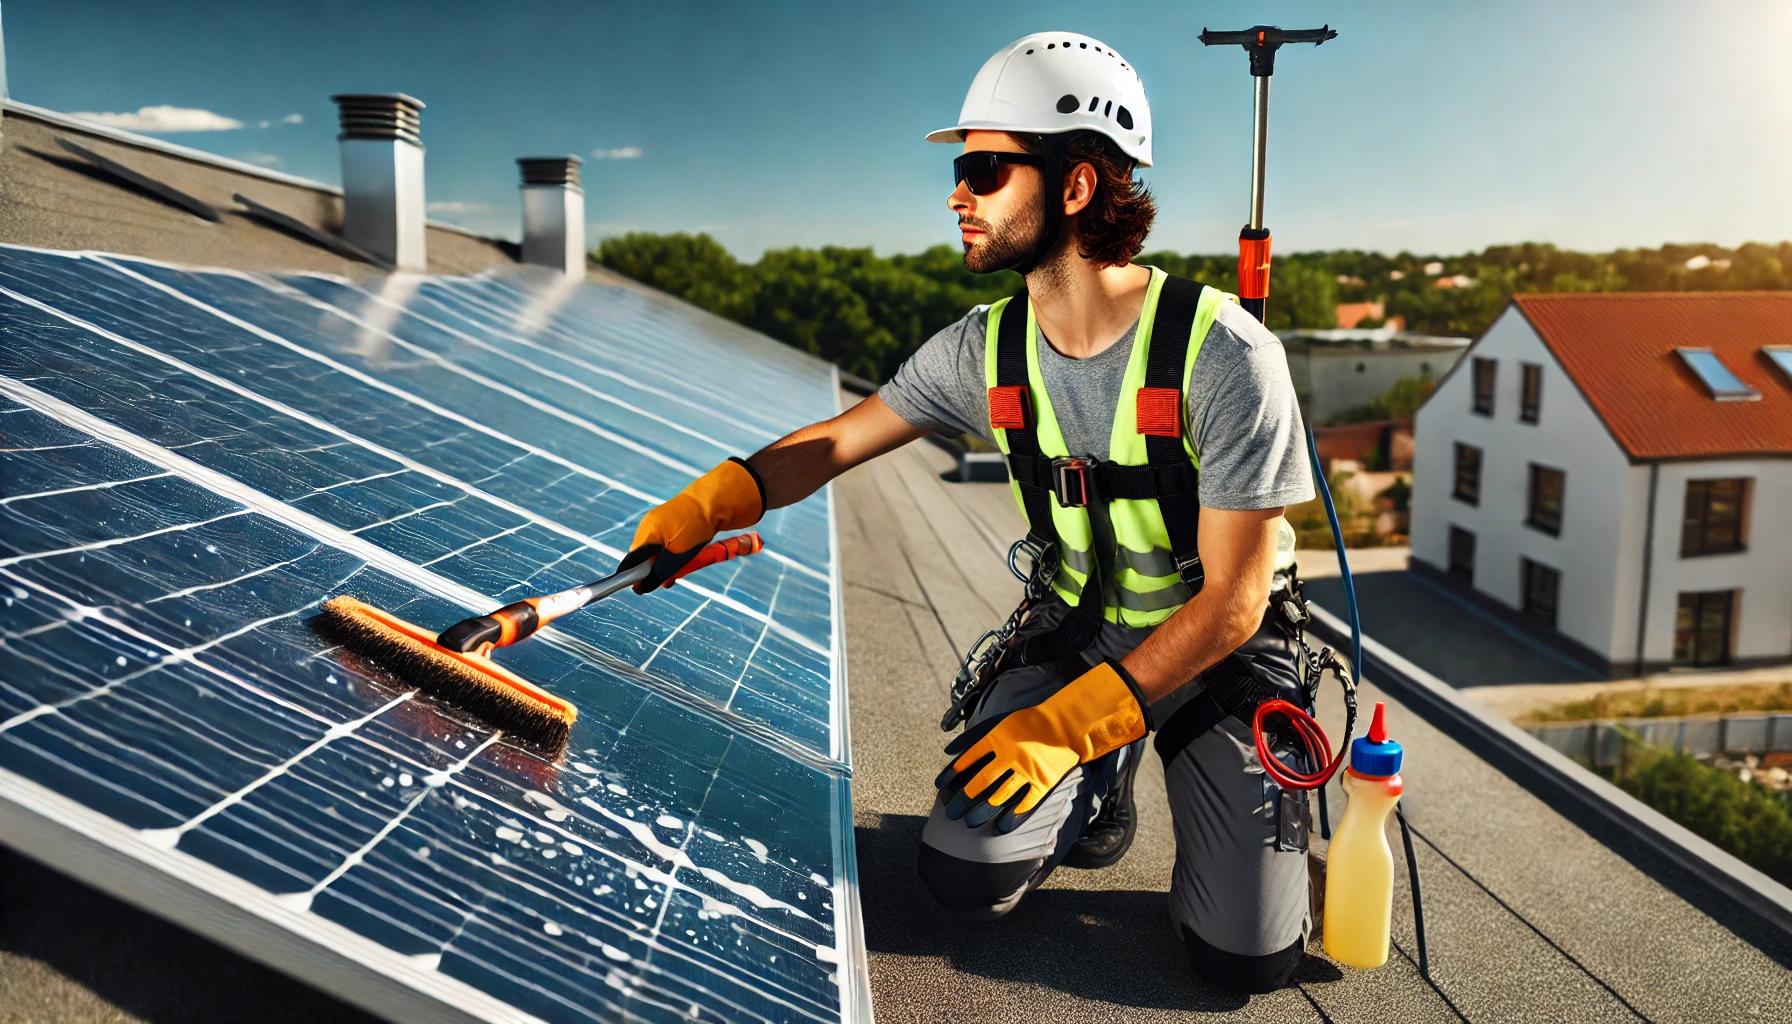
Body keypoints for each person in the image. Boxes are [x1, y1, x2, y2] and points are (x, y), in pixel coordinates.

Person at [620, 31, 1318, 994]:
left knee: (1250, 959)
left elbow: (1237, 603)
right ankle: (1100, 795)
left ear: (1076, 187)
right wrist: (718, 497)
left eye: (985, 169)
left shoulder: (1225, 354)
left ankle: (1143, 781)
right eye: (962, 169)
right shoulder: (984, 349)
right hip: (1081, 633)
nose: (958, 193)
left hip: (1215, 656)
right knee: (961, 874)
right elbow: (838, 440)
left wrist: (1064, 729)